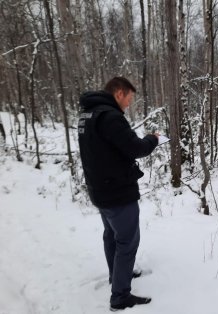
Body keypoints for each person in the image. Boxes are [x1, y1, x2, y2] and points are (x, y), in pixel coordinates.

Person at [78, 77, 159, 311]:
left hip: (100, 189)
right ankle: (120, 296)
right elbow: (136, 148)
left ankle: (118, 276)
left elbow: (105, 150)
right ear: (119, 93)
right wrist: (153, 139)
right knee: (127, 241)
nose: (128, 104)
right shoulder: (110, 117)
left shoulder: (88, 115)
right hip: (116, 192)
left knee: (111, 235)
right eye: (128, 99)